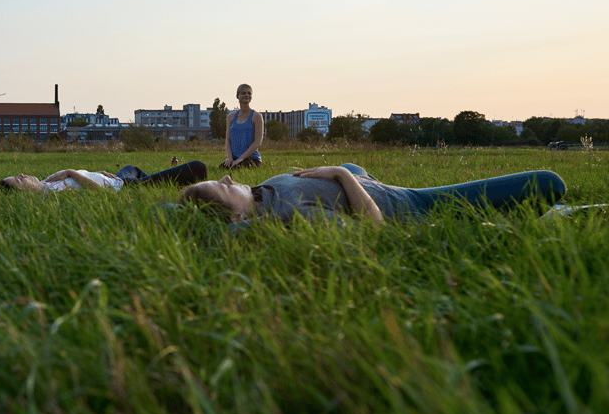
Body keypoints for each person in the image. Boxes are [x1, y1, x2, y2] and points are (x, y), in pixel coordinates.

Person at [178, 163, 567, 225]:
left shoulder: (262, 192)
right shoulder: (291, 214)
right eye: (223, 188)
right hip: (415, 203)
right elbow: (373, 228)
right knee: (549, 183)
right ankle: (568, 211)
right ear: (236, 217)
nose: (228, 178)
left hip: (374, 182)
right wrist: (345, 176)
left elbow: (173, 208)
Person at [0, 160, 208, 193]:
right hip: (124, 188)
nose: (22, 174)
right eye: (18, 180)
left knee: (129, 166)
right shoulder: (52, 193)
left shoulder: (46, 182)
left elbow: (85, 177)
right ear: (23, 194)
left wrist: (100, 173)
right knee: (198, 167)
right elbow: (100, 193)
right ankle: (190, 189)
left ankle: (164, 184)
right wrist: (70, 172)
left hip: (116, 178)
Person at [221, 83, 264, 169]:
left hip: (251, 158)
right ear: (237, 96)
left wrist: (241, 158)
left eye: (249, 93)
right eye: (243, 93)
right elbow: (228, 141)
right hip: (234, 158)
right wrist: (230, 158)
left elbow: (258, 142)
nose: (246, 95)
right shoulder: (230, 117)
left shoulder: (257, 116)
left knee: (237, 169)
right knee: (221, 169)